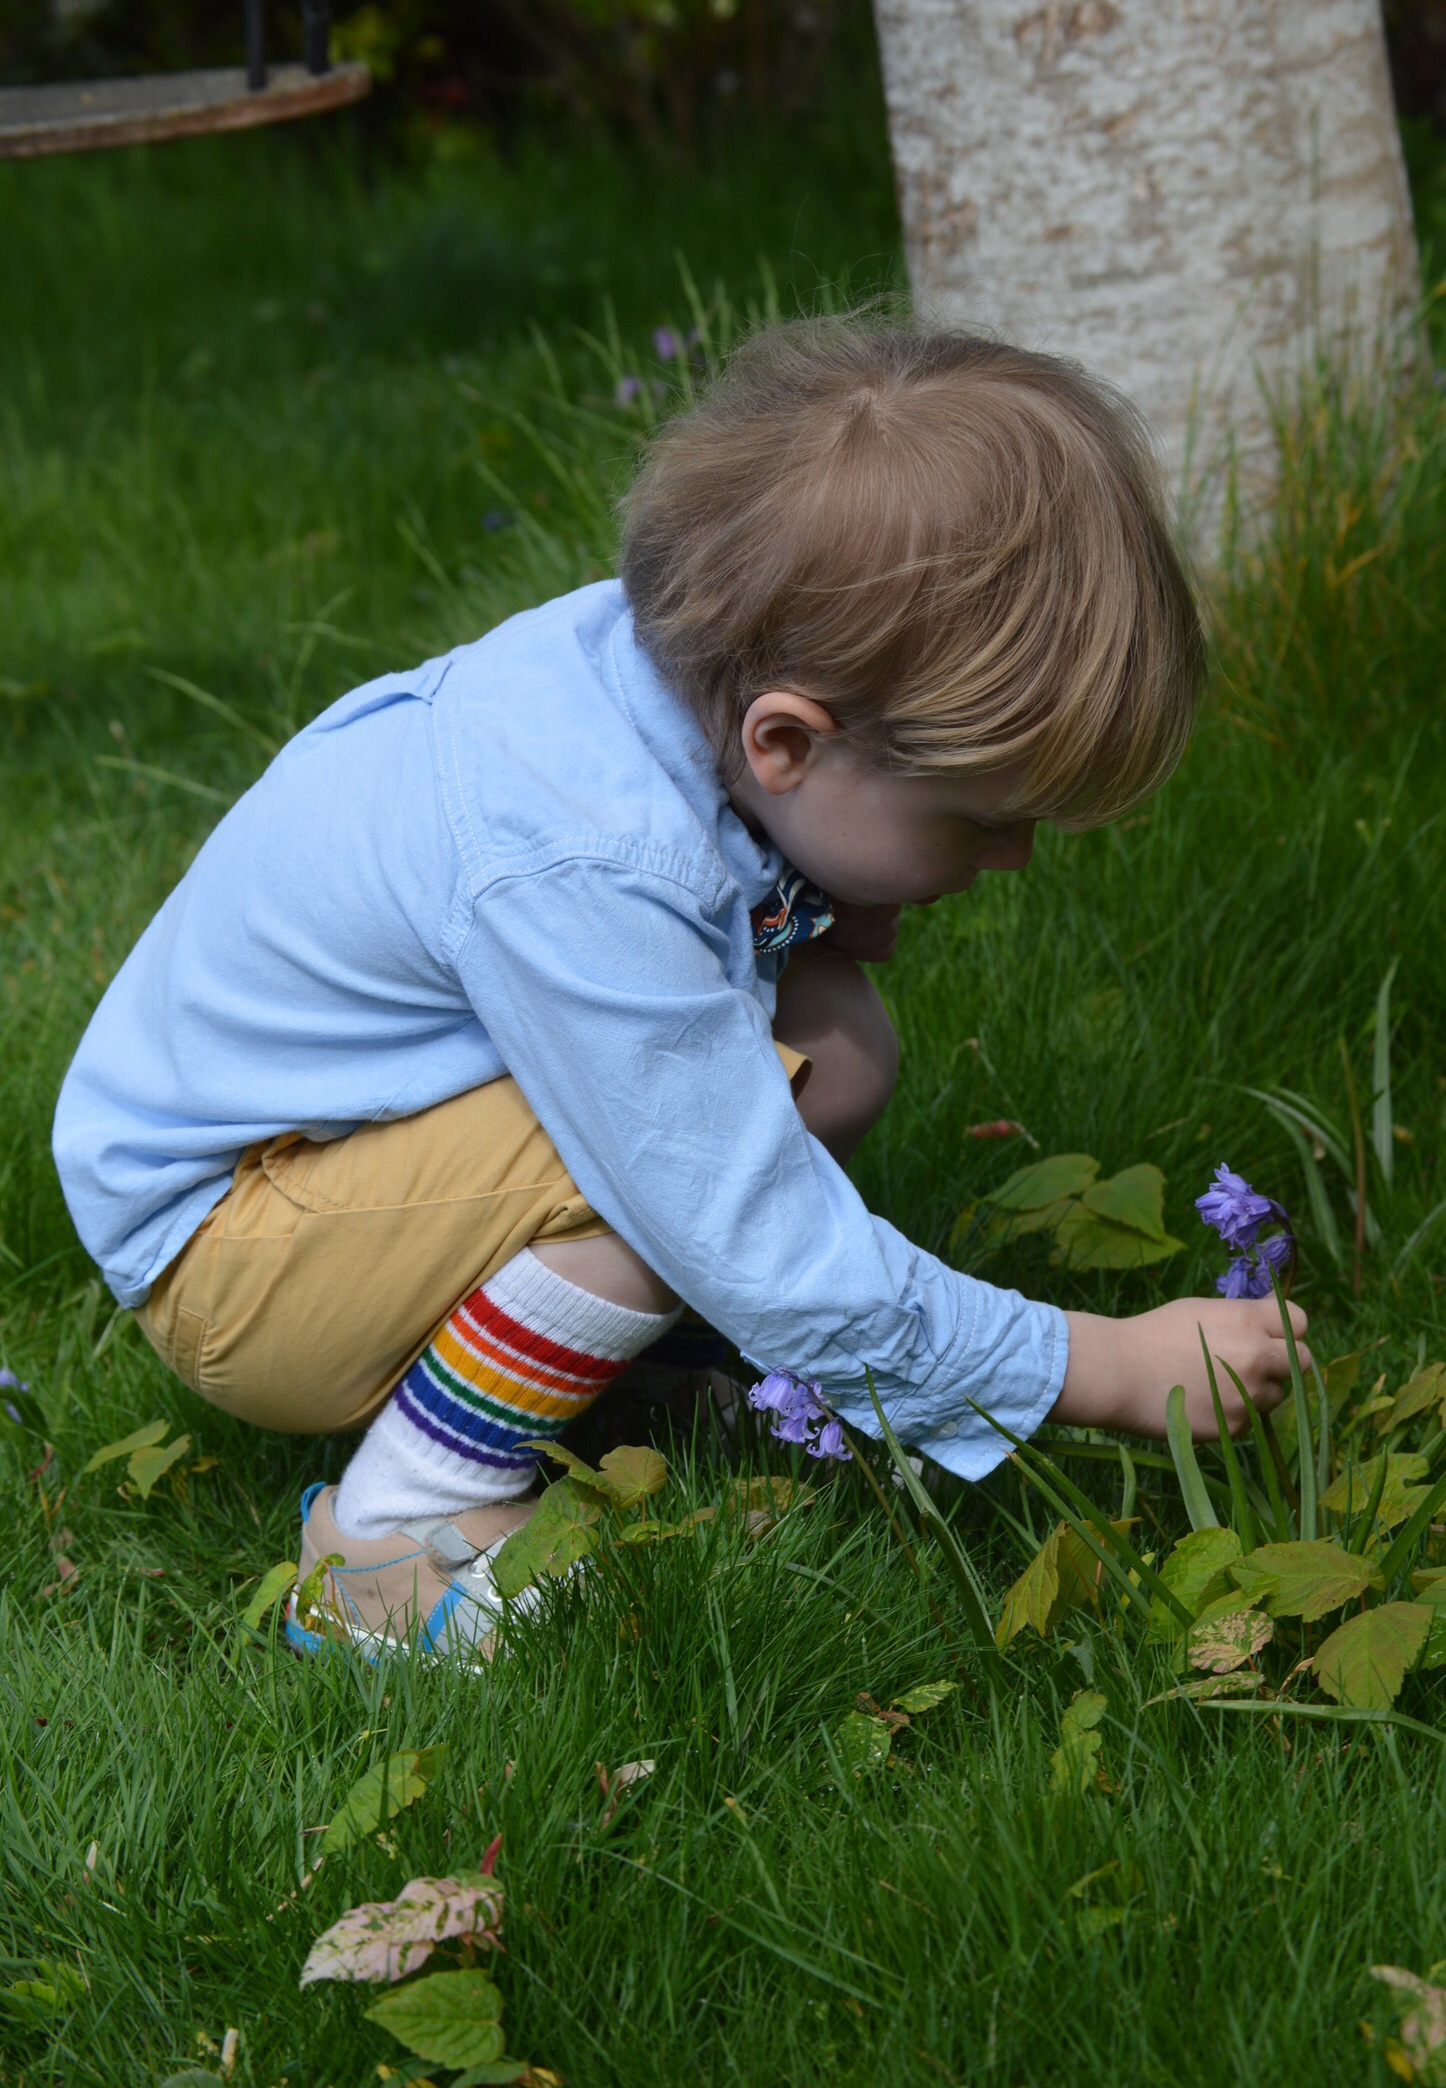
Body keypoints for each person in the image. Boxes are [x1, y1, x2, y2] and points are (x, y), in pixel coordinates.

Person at [52, 317, 1311, 1660]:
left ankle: (612, 1376)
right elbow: (744, 1218)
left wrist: (809, 908)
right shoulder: (586, 856)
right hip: (231, 1252)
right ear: (785, 743)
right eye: (981, 820)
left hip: (326, 1167)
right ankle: (395, 1534)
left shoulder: (665, 678)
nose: (1011, 860)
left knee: (830, 1043)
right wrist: (1097, 1365)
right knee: (704, 1157)